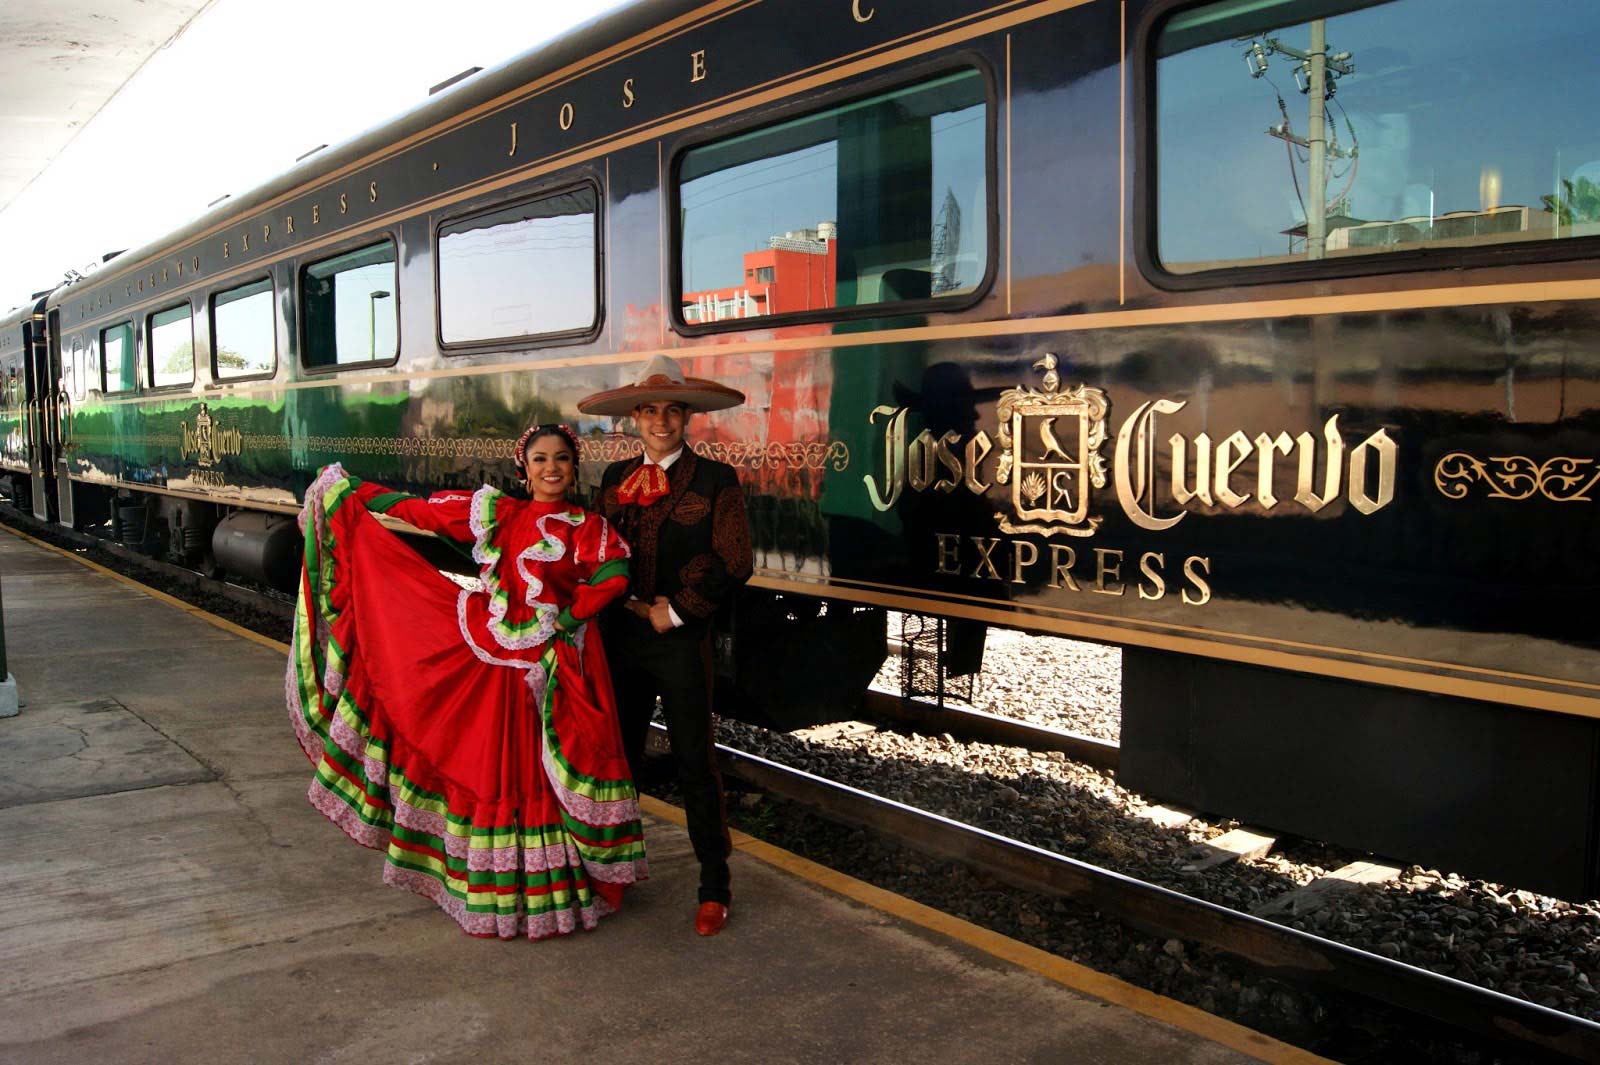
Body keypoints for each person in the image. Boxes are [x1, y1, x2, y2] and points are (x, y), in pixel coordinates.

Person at [286, 423, 646, 940]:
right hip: (493, 661)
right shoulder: (499, 513)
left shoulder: (587, 526)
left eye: (562, 459)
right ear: (524, 469)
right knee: (492, 769)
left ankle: (548, 888)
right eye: (540, 459)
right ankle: (503, 890)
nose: (552, 469)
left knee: (542, 773)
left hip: (554, 667)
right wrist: (354, 489)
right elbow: (422, 512)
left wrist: (571, 617)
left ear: (574, 467)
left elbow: (614, 574)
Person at [579, 355, 753, 937]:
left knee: (693, 761)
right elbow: (595, 550)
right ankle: (616, 872)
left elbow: (736, 560)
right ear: (635, 418)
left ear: (688, 419)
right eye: (650, 411)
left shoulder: (716, 480)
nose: (661, 421)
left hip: (679, 641)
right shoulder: (613, 479)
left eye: (672, 411)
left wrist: (675, 611)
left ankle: (714, 885)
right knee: (620, 759)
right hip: (620, 638)